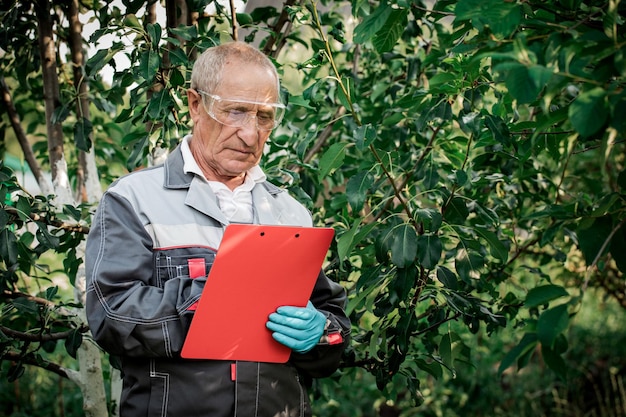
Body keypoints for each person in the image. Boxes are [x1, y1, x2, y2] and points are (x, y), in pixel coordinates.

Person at [85, 41, 350, 417]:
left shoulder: (290, 214)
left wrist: (320, 333)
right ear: (195, 105)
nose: (251, 134)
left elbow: (334, 332)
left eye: (264, 116)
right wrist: (211, 303)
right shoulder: (134, 200)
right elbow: (112, 315)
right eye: (237, 111)